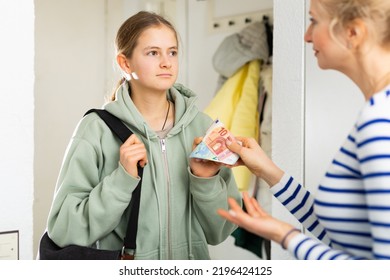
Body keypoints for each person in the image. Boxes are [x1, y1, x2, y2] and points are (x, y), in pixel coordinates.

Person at [45, 11, 241, 260]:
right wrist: (122, 180)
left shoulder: (202, 128)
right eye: (153, 53)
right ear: (125, 63)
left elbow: (221, 231)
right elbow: (64, 230)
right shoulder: (95, 129)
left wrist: (206, 181)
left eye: (172, 52)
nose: (167, 63)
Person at [218, 0, 390, 260]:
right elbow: (344, 233)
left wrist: (285, 235)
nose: (307, 36)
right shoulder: (377, 111)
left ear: (353, 32)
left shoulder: (378, 122)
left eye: (314, 20)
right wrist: (268, 170)